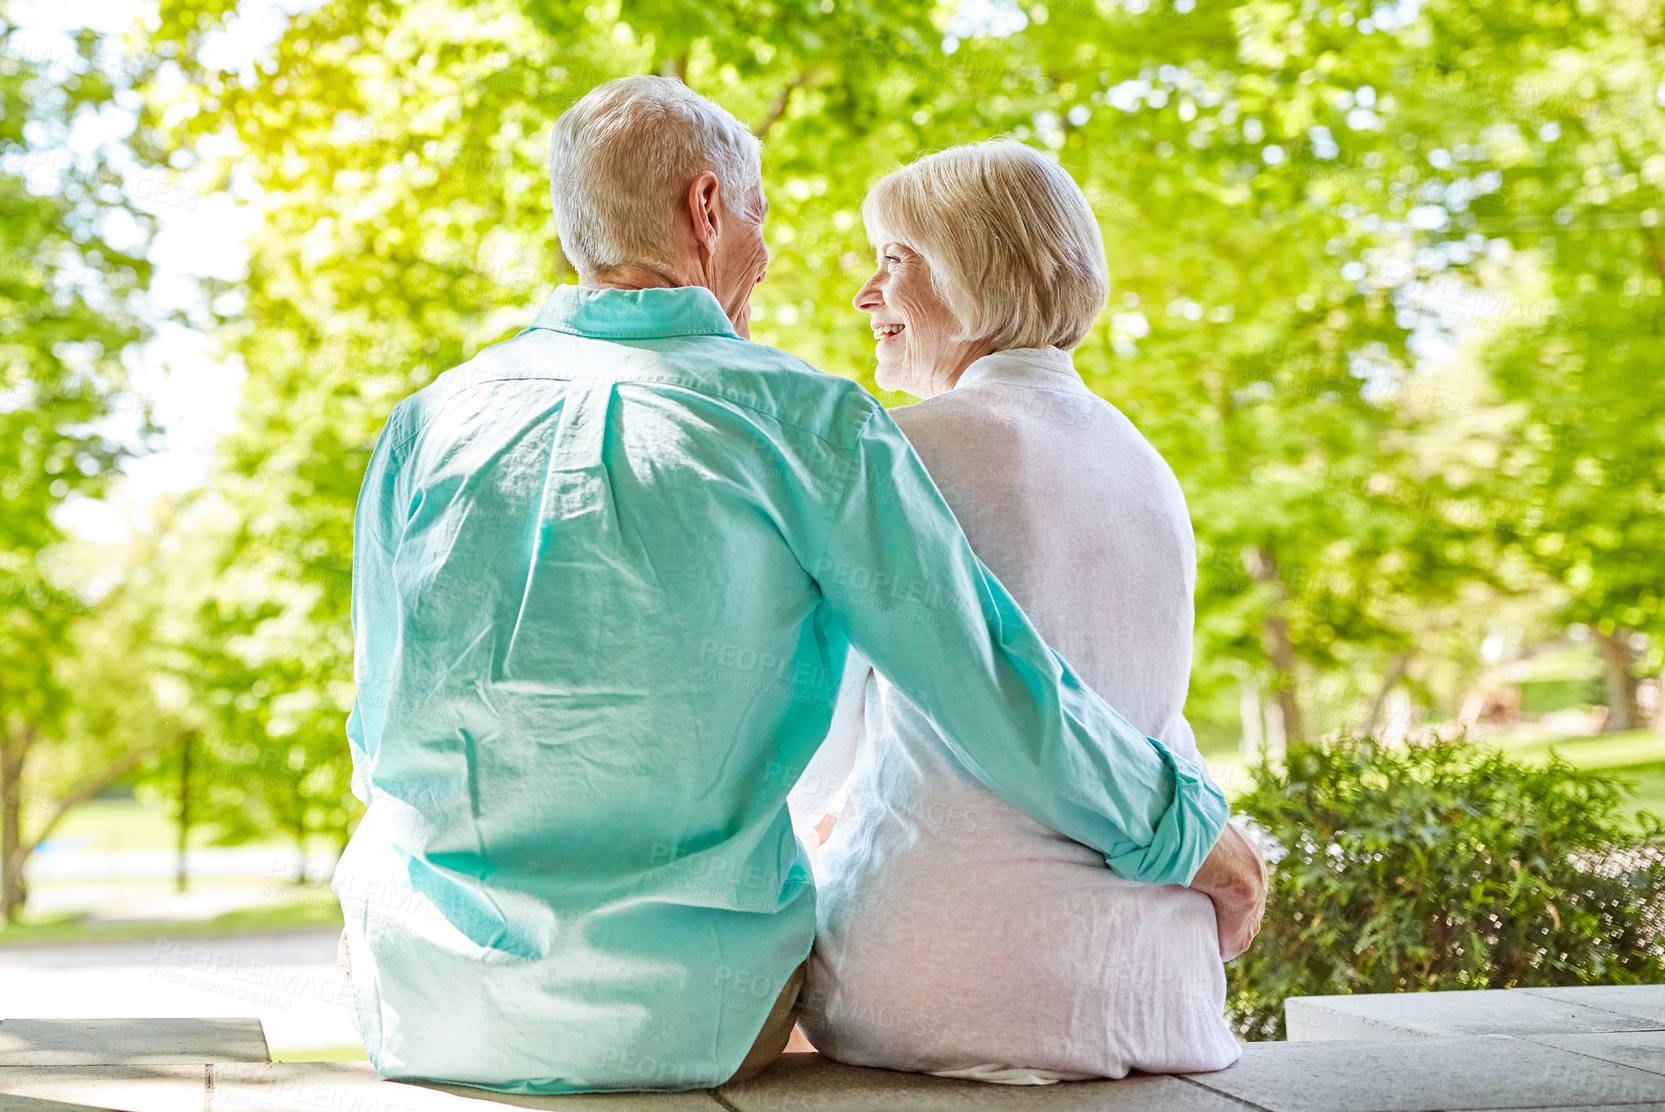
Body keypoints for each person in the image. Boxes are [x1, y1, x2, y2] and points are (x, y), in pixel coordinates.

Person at [333, 75, 1265, 1095]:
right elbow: (984, 684)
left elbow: (378, 730)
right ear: (706, 209)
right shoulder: (808, 422)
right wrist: (1188, 830)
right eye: (759, 218)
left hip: (420, 1007)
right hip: (690, 1018)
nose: (770, 257)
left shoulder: (423, 424)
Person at [793, 140, 1253, 1081]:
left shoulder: (900, 450)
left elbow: (805, 749)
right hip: (1159, 991)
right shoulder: (1142, 461)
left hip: (941, 987)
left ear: (975, 268)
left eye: (892, 260)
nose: (864, 296)